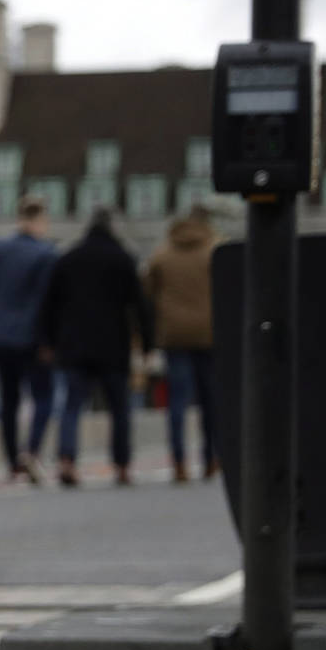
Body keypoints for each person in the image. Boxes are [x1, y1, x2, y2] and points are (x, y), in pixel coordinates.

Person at [41, 209, 152, 487]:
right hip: (113, 344)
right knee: (119, 408)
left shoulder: (68, 258)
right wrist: (148, 344)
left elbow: (49, 305)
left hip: (74, 344)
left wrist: (48, 342)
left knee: (72, 405)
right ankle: (122, 465)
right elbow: (140, 306)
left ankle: (67, 460)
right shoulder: (122, 259)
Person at [0, 196, 60, 483]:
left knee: (8, 399)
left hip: (0, 337)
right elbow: (49, 302)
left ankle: (11, 461)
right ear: (41, 220)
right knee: (43, 396)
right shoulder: (46, 254)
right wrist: (50, 340)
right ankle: (31, 451)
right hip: (33, 337)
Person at [144, 204, 220, 483]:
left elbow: (147, 294)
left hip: (174, 335)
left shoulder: (162, 255)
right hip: (209, 334)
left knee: (177, 399)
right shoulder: (214, 250)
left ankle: (178, 462)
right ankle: (211, 458)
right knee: (211, 400)